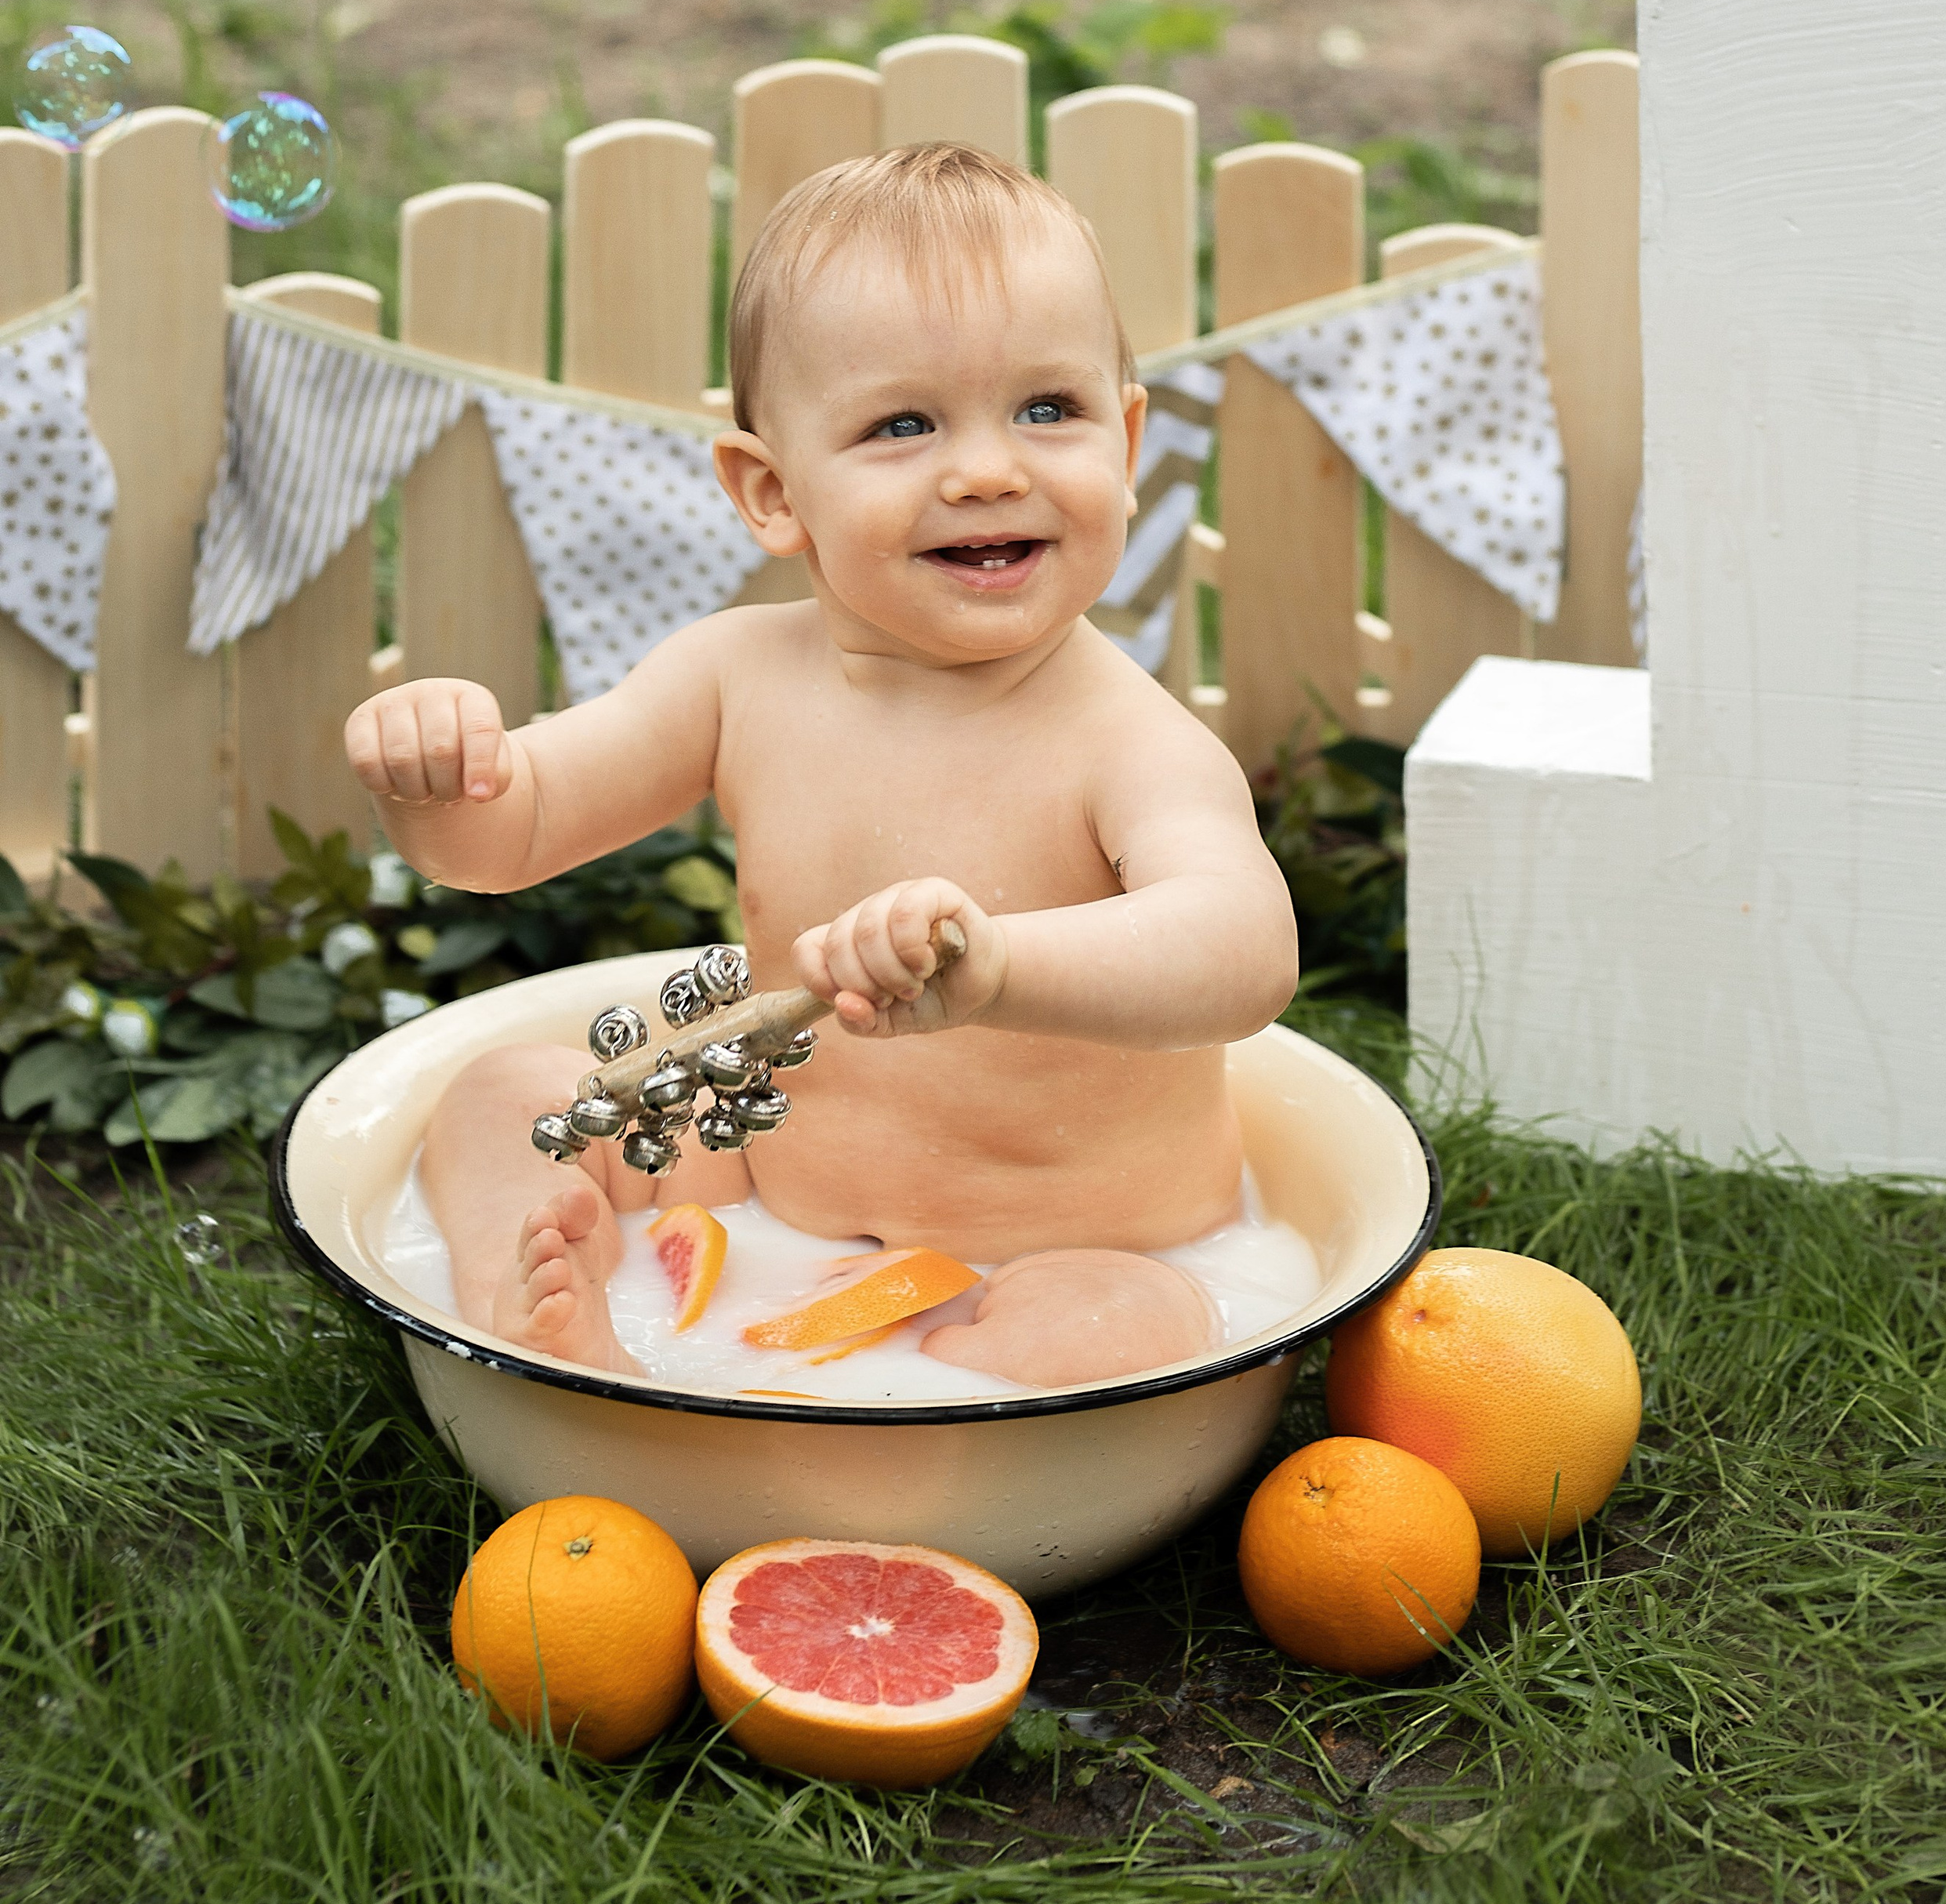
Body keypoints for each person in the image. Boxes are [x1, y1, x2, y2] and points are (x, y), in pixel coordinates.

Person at [344, 144, 1298, 1390]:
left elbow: (1242, 954)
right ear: (772, 491)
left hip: (1077, 1243)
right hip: (771, 1179)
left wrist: (1002, 967)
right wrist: (440, 783)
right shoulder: (735, 678)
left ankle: (903, 1414)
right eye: (903, 424)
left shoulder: (1126, 737)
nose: (988, 468)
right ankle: (527, 1297)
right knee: (503, 1094)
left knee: (1127, 1326)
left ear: (1125, 439)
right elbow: (509, 840)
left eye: (1047, 410)